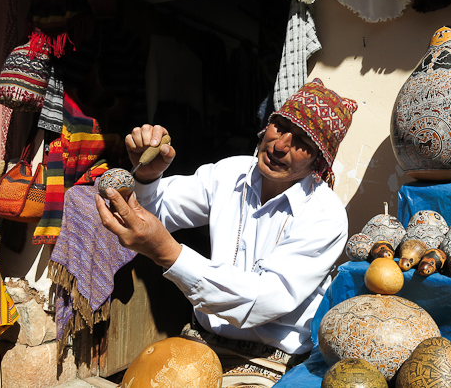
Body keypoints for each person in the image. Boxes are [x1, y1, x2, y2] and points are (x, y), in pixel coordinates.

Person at [95, 78, 357, 387]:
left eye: (302, 142)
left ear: (318, 159)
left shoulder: (325, 215)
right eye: (280, 127)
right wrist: (149, 178)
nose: (281, 145)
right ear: (267, 125)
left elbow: (266, 300)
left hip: (269, 358)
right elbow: (158, 211)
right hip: (203, 339)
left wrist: (169, 253)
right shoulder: (231, 173)